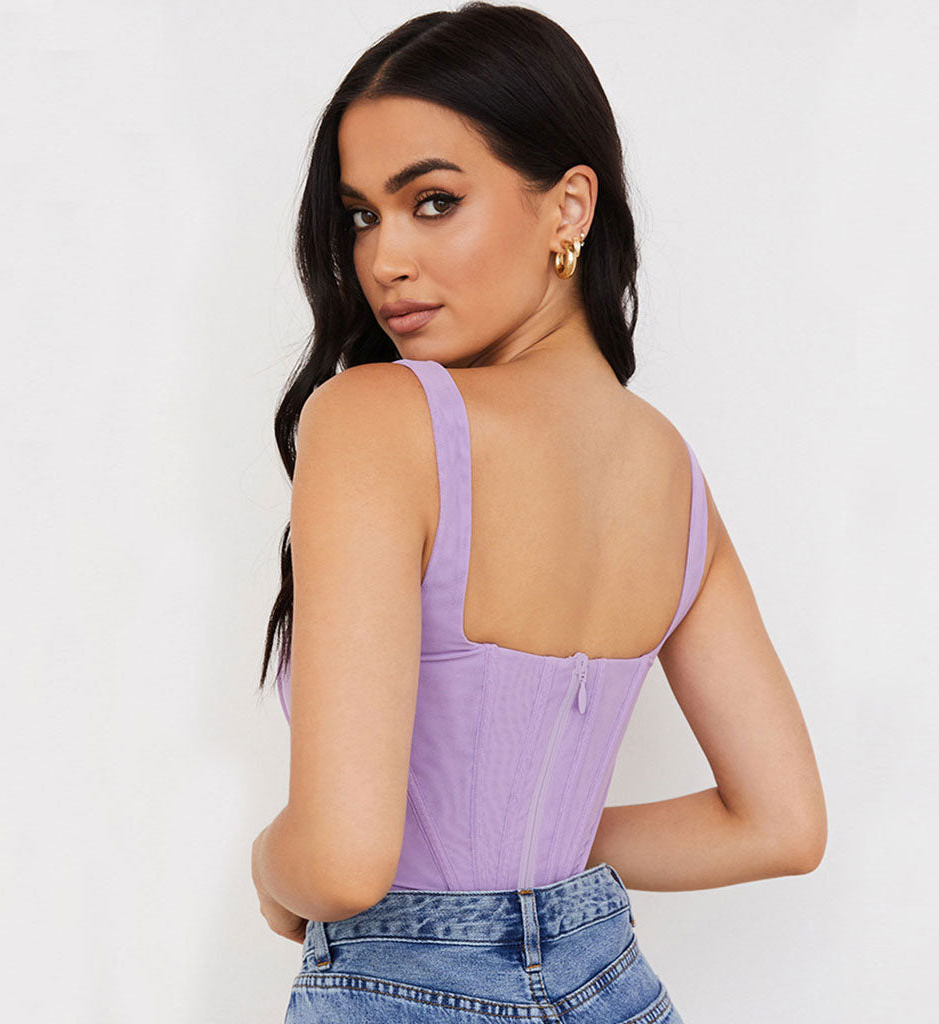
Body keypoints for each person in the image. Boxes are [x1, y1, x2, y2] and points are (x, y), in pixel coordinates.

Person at [250, 4, 827, 1021]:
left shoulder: (377, 417)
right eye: (361, 216)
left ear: (568, 207)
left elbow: (338, 863)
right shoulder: (670, 471)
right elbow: (779, 823)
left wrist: (268, 861)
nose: (382, 260)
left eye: (432, 202)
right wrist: (536, 859)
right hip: (614, 987)